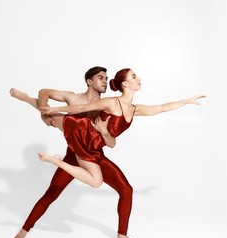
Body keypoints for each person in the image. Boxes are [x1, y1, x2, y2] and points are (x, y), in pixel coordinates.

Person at [8, 67, 141, 238]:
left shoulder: (109, 105)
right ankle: (22, 232)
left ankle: (122, 236)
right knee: (51, 193)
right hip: (74, 156)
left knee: (126, 190)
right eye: (100, 78)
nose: (104, 81)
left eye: (106, 78)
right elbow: (44, 93)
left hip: (95, 156)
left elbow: (121, 123)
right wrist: (43, 114)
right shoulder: (73, 98)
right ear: (89, 81)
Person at [38, 68, 206, 187]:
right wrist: (53, 109)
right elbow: (81, 108)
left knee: (96, 182)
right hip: (83, 132)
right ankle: (26, 99)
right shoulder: (111, 102)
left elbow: (162, 107)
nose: (139, 79)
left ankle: (56, 161)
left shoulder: (135, 109)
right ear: (125, 84)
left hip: (95, 145)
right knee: (44, 111)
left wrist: (187, 101)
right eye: (134, 77)